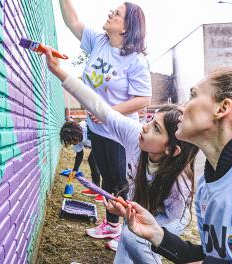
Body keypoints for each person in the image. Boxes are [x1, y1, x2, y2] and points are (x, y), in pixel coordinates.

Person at [43, 47, 199, 262]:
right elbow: (99, 106)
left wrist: (147, 226)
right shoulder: (136, 135)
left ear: (171, 150)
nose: (144, 127)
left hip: (170, 217)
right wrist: (59, 71)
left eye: (156, 129)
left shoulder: (179, 183)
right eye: (150, 121)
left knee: (136, 239)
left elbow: (173, 218)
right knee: (127, 239)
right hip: (141, 206)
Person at [106, 66, 232, 263]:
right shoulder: (205, 187)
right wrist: (157, 234)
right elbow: (211, 256)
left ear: (222, 108)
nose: (180, 107)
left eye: (193, 95)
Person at [59, 0, 152, 243]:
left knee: (120, 182)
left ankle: (126, 231)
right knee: (108, 180)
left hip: (118, 132)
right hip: (97, 127)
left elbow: (144, 98)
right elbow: (72, 21)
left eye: (117, 13)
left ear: (126, 27)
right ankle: (111, 225)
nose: (110, 13)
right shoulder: (99, 41)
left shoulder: (135, 60)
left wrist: (108, 112)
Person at [60, 120, 103, 201]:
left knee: (103, 164)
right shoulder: (76, 139)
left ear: (77, 133)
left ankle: (105, 194)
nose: (72, 142)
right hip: (96, 144)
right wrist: (75, 170)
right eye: (70, 141)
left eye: (73, 140)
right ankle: (95, 188)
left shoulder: (88, 129)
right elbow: (79, 154)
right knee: (92, 160)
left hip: (105, 141)